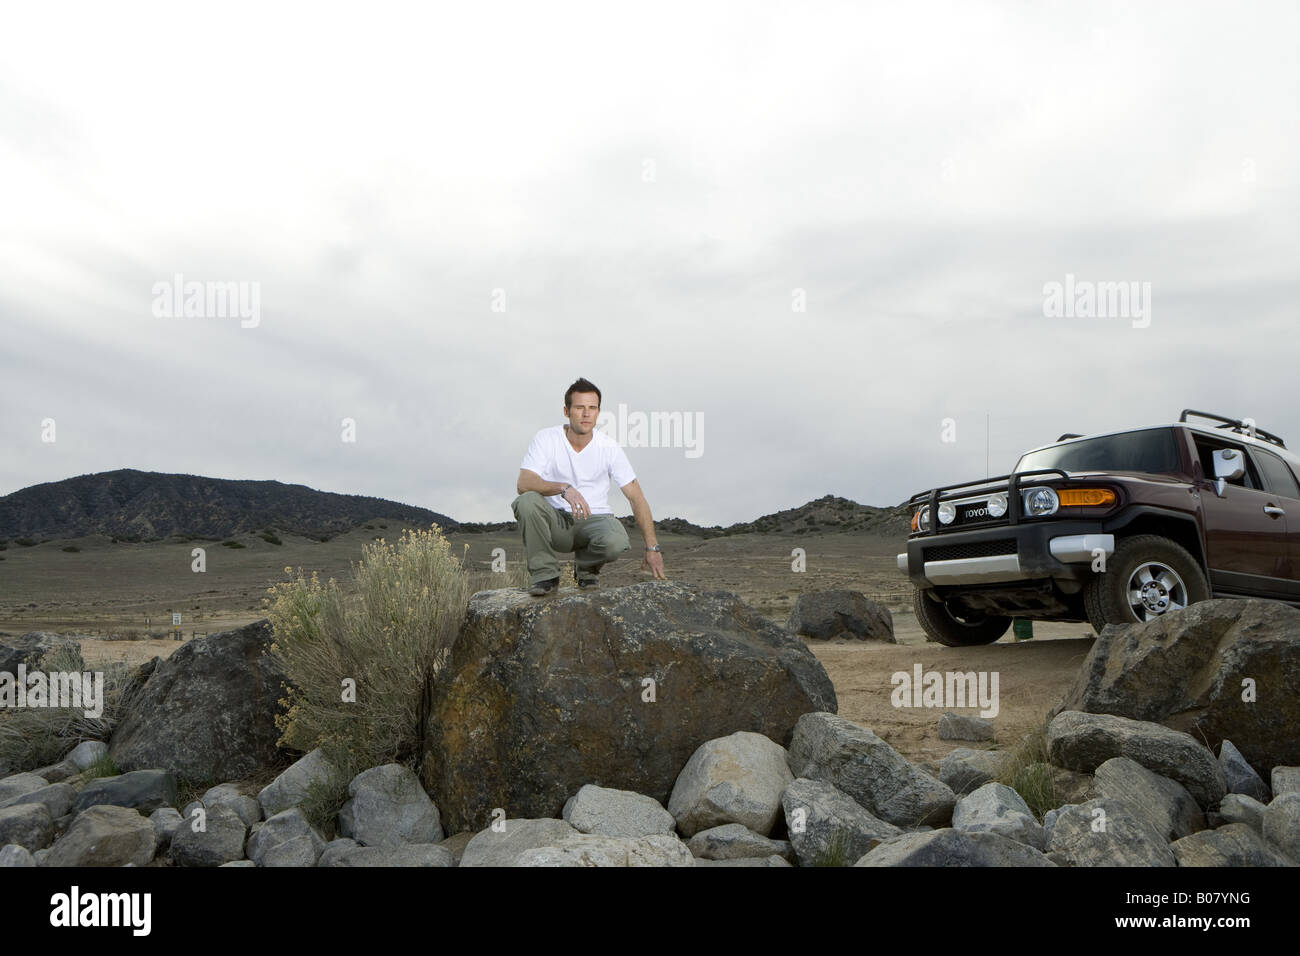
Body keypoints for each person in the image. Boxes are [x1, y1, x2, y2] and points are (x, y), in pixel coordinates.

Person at [513, 377, 667, 596]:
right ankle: (545, 576)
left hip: (595, 521)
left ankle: (586, 571)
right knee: (526, 501)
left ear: (598, 412)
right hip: (556, 522)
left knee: (616, 541)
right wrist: (564, 488)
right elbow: (523, 483)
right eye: (579, 408)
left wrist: (653, 548)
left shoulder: (609, 447)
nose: (586, 414)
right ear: (566, 411)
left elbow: (636, 497)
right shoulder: (546, 439)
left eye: (592, 408)